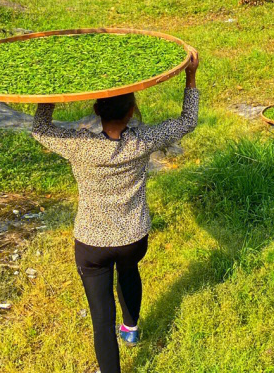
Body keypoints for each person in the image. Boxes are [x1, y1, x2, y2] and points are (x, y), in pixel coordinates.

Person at [31, 51, 200, 373]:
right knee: (129, 270)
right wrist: (190, 77)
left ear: (95, 110)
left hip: (92, 245)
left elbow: (40, 129)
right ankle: (132, 328)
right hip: (133, 237)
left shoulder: (79, 145)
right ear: (132, 109)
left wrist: (48, 92)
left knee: (100, 319)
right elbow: (187, 122)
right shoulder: (143, 141)